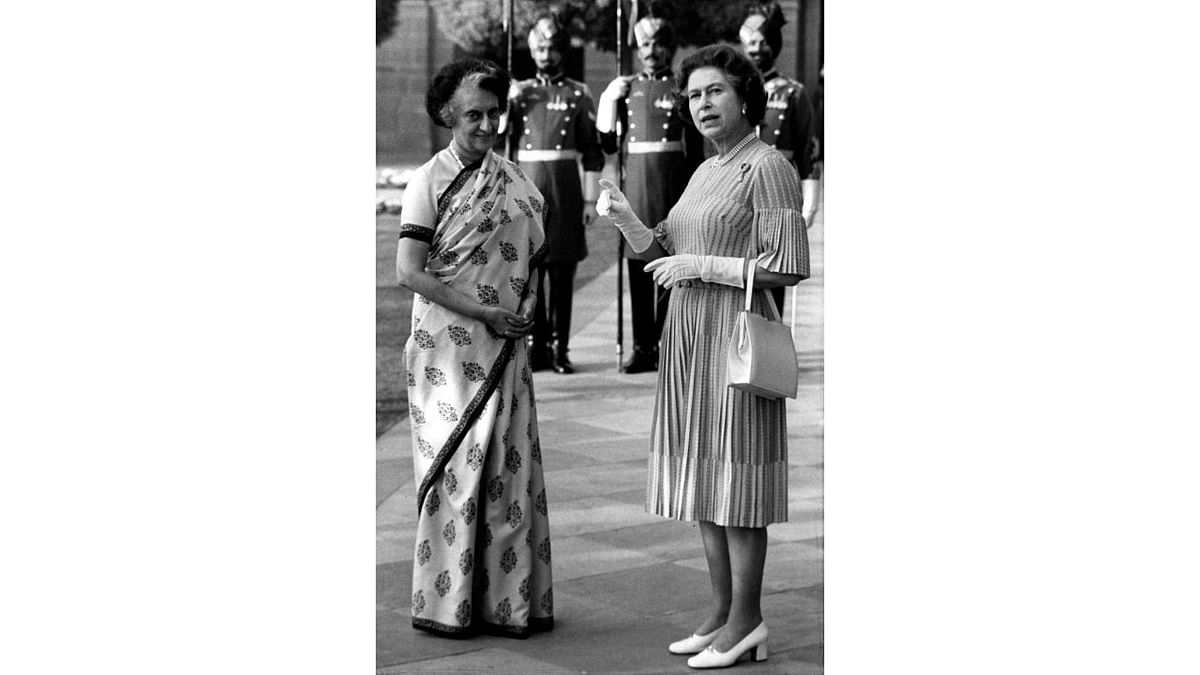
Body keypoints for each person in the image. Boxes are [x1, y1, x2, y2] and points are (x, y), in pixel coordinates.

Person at [596, 44, 809, 669]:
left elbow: (789, 265)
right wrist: (626, 216)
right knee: (704, 480)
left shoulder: (765, 166)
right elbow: (660, 246)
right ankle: (721, 614)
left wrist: (704, 266)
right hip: (687, 338)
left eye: (714, 91)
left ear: (746, 96)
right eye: (692, 95)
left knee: (737, 481)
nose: (701, 104)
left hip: (735, 338)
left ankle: (748, 621)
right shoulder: (705, 169)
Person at [396, 58, 554, 639]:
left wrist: (528, 305)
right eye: (473, 116)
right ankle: (448, 605)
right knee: (457, 475)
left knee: (506, 477)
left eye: (494, 113)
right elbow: (409, 271)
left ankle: (506, 604)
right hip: (447, 352)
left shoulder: (516, 180)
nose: (488, 125)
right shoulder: (428, 181)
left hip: (507, 346)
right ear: (446, 116)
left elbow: (535, 256)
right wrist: (483, 311)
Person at [596, 15, 705, 374]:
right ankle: (643, 347)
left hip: (674, 190)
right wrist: (608, 102)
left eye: (658, 43)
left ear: (669, 47)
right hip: (637, 194)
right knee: (639, 270)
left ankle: (668, 343)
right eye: (644, 44)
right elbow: (609, 145)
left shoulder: (681, 88)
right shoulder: (627, 89)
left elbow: (694, 150)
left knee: (672, 271)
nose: (651, 51)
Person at [506, 14, 605, 374]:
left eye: (551, 48)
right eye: (539, 48)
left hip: (564, 192)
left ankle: (561, 347)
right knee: (532, 275)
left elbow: (592, 151)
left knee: (563, 273)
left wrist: (592, 200)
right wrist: (507, 101)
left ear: (562, 51)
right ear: (532, 51)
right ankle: (537, 347)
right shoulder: (520, 94)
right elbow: (501, 140)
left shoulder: (578, 94)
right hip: (526, 192)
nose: (545, 54)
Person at [738, 4, 820, 315]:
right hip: (740, 191)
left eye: (762, 42)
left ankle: (771, 346)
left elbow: (808, 149)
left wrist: (810, 203)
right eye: (750, 43)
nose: (756, 49)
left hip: (777, 195)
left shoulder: (793, 93)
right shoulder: (735, 92)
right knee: (737, 271)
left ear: (775, 45)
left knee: (773, 272)